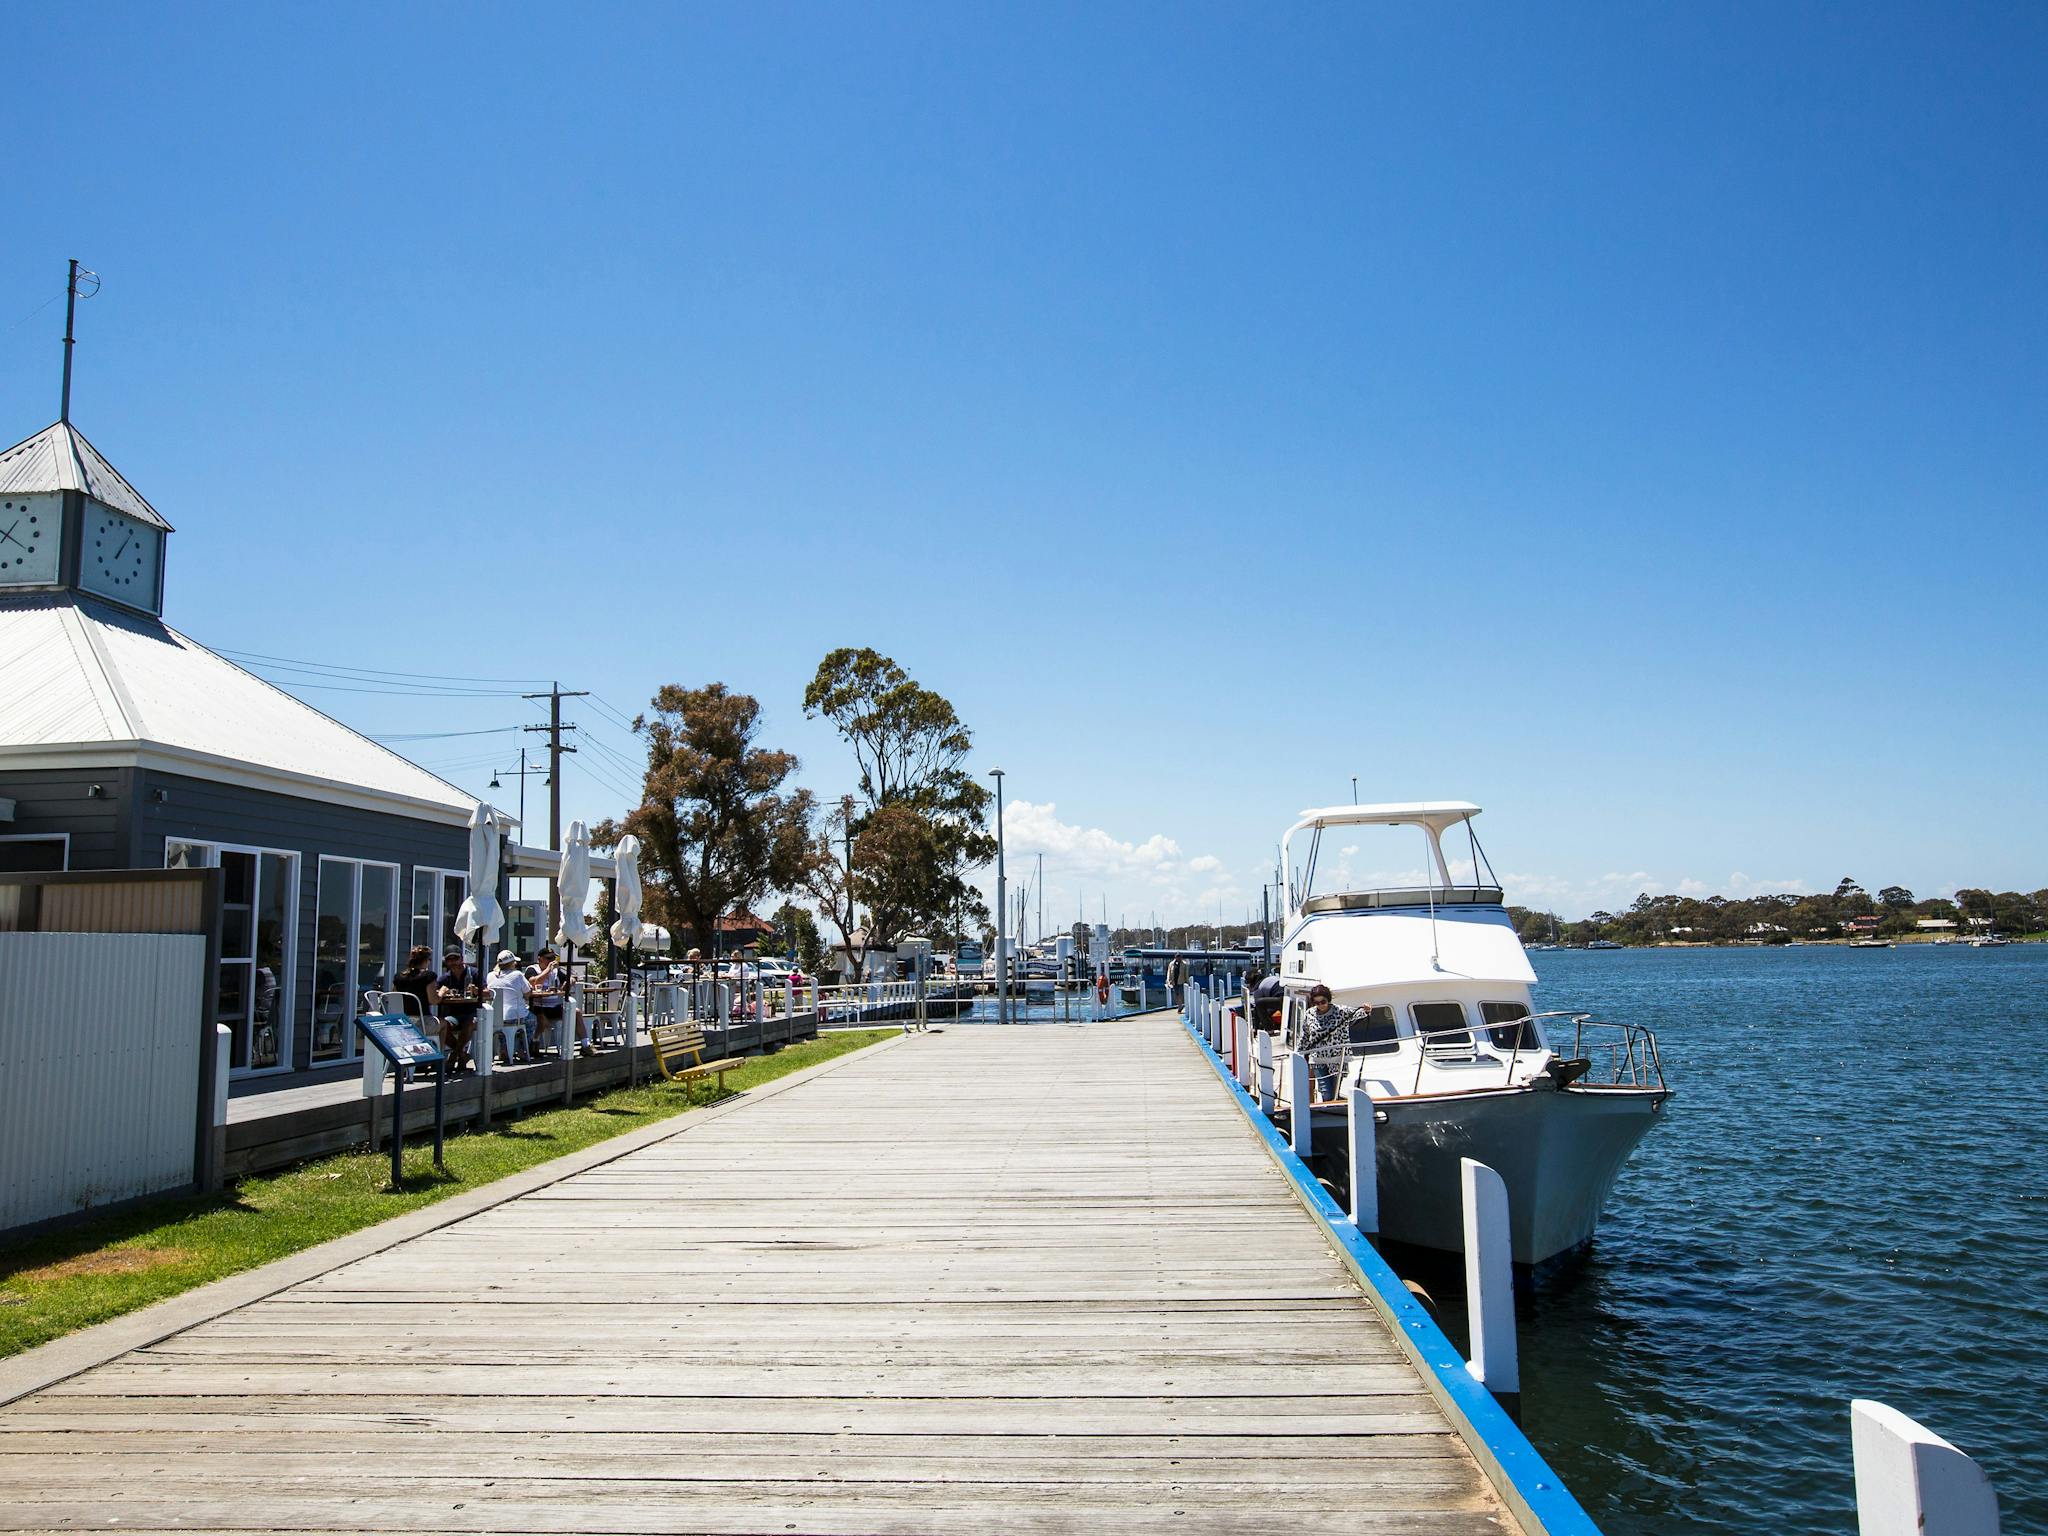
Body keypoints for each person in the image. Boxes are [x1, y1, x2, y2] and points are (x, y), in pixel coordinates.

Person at [1301, 983, 1357, 1100]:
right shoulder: (1309, 1014)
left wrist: (1366, 1009)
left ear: (1328, 999)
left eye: (1323, 1001)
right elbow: (1305, 1035)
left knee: (1336, 1092)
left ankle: (1335, 1108)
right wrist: (1299, 1052)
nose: (1320, 1005)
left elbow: (1357, 1013)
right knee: (1325, 1092)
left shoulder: (1340, 1011)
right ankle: (1329, 1108)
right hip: (1318, 1058)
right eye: (1317, 1003)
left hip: (1337, 1058)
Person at [432, 950, 481, 1071]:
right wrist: (442, 992)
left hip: (472, 1012)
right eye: (450, 960)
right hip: (453, 1014)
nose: (453, 962)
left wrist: (476, 991)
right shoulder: (445, 978)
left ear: (462, 959)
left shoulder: (473, 973)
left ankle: (453, 1056)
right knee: (443, 1026)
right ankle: (462, 1055)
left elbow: (488, 992)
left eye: (456, 959)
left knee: (470, 1024)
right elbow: (435, 993)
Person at [485, 950, 535, 1063]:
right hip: (515, 1015)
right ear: (512, 963)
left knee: (504, 1027)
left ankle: (505, 1049)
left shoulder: (490, 976)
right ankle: (521, 1049)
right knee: (532, 1020)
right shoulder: (517, 975)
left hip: (496, 1016)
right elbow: (528, 994)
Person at [527, 948, 569, 1056]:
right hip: (538, 1005)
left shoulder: (556, 971)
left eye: (553, 958)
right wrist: (548, 970)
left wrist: (570, 981)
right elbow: (533, 982)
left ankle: (585, 1044)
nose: (552, 961)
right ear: (540, 959)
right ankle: (535, 1042)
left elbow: (567, 979)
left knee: (576, 1012)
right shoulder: (532, 969)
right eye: (549, 958)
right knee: (541, 1018)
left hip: (554, 1006)